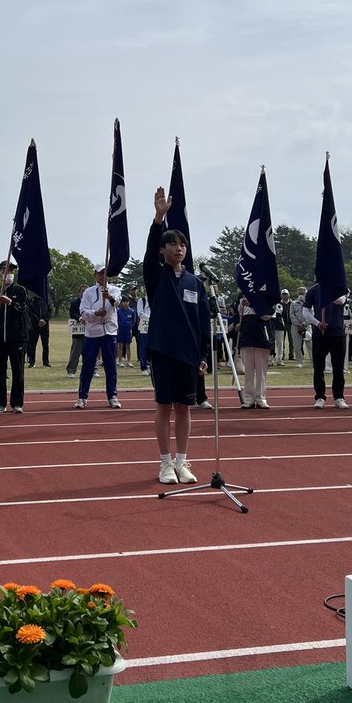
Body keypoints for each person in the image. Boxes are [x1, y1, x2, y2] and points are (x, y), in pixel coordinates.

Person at [143, 187, 210, 485]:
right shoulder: (157, 277)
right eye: (171, 245)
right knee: (164, 407)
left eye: (181, 245)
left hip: (189, 354)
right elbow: (148, 254)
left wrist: (204, 355)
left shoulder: (196, 282)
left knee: (184, 408)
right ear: (163, 250)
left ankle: (182, 461)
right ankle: (164, 463)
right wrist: (159, 218)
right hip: (162, 350)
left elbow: (203, 322)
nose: (178, 249)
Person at [75, 264, 121, 409]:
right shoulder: (88, 292)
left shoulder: (115, 289)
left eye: (106, 273)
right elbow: (83, 311)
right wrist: (95, 314)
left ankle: (112, 396)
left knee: (110, 366)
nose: (103, 276)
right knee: (88, 365)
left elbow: (116, 303)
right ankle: (82, 397)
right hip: (93, 333)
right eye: (100, 273)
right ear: (95, 275)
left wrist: (110, 297)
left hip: (109, 332)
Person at [0, 260, 29, 413]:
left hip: (17, 337)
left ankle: (17, 403)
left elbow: (23, 311)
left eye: (11, 271)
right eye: (6, 270)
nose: (8, 274)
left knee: (18, 370)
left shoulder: (21, 291)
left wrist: (10, 302)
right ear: (0, 272)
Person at [303, 282, 350, 409]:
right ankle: (319, 396)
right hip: (320, 333)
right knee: (318, 367)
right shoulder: (312, 290)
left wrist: (328, 290)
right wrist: (317, 323)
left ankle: (339, 396)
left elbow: (340, 301)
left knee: (338, 368)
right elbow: (305, 311)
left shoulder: (341, 288)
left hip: (337, 333)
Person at [238, 296, 273, 408]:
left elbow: (268, 315)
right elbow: (237, 314)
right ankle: (248, 398)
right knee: (248, 371)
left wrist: (252, 304)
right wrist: (237, 323)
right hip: (246, 337)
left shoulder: (268, 296)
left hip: (262, 337)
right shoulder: (242, 296)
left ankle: (260, 398)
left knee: (261, 372)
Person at [26, 291, 51, 368]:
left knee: (45, 344)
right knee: (32, 344)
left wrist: (45, 320)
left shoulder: (47, 300)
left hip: (45, 326)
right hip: (34, 326)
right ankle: (32, 362)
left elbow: (50, 311)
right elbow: (29, 312)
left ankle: (46, 362)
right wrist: (38, 320)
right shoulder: (31, 301)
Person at [65, 287, 85, 377]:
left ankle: (92, 370)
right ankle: (71, 370)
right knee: (75, 352)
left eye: (86, 291)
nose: (84, 293)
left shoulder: (92, 302)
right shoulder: (74, 303)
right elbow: (72, 314)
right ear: (79, 292)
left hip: (90, 331)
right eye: (82, 291)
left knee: (90, 352)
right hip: (78, 331)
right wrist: (80, 318)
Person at [289, 287, 310, 366]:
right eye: (300, 293)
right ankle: (299, 361)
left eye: (303, 293)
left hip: (307, 326)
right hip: (295, 327)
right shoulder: (293, 303)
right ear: (297, 294)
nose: (301, 295)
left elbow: (311, 314)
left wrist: (304, 324)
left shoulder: (309, 303)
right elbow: (291, 315)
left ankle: (313, 361)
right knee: (297, 345)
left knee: (310, 344)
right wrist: (298, 324)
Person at [116, 297, 136, 366]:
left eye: (126, 301)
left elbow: (133, 321)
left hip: (128, 330)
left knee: (128, 345)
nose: (125, 303)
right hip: (120, 330)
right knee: (120, 345)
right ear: (121, 303)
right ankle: (120, 361)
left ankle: (129, 361)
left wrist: (130, 328)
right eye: (123, 302)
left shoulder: (131, 311)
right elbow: (116, 320)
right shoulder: (118, 311)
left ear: (128, 302)